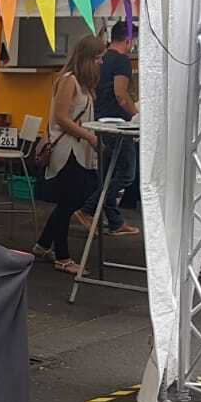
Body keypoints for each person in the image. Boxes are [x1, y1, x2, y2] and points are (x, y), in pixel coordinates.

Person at [33, 35, 106, 275]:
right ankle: (62, 256)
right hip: (67, 150)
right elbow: (61, 118)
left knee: (71, 199)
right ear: (87, 58)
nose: (101, 63)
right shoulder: (69, 81)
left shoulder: (81, 83)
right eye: (98, 58)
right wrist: (89, 137)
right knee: (69, 201)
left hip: (77, 149)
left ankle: (44, 244)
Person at [77, 18, 140, 236]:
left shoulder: (101, 60)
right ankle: (88, 209)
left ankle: (115, 221)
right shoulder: (122, 61)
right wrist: (136, 115)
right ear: (129, 40)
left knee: (109, 173)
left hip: (99, 120)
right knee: (126, 173)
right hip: (118, 125)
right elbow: (121, 94)